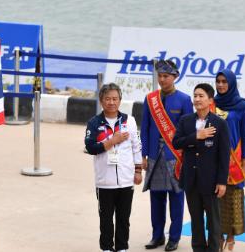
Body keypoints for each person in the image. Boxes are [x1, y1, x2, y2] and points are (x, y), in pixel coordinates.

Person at [141, 60, 193, 251]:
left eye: (166, 76)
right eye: (160, 76)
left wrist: (186, 156)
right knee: (156, 199)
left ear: (175, 77)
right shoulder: (150, 99)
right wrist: (144, 154)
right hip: (155, 156)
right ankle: (157, 236)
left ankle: (174, 238)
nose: (162, 80)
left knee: (177, 199)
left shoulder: (185, 100)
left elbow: (189, 131)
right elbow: (144, 128)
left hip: (175, 156)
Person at [85, 83, 143, 252]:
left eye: (115, 99)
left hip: (126, 180)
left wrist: (138, 171)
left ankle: (122, 248)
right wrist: (112, 141)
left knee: (124, 219)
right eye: (107, 99)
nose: (111, 102)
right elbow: (90, 148)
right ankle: (106, 248)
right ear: (101, 101)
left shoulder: (129, 121)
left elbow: (136, 147)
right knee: (106, 219)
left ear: (120, 100)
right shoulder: (94, 123)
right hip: (105, 182)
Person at [172, 83, 230, 252]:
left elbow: (224, 155)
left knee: (213, 222)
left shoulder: (219, 123)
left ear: (210, 100)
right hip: (190, 180)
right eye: (195, 95)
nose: (197, 99)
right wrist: (196, 136)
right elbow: (176, 143)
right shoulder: (185, 120)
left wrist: (222, 181)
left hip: (211, 182)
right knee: (196, 222)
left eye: (201, 96)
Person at [213, 69, 245, 251]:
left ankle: (230, 236)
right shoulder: (211, 103)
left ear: (231, 83)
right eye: (218, 81)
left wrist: (244, 162)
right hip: (214, 159)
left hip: (234, 161)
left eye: (224, 81)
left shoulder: (242, 106)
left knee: (233, 199)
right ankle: (217, 236)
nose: (220, 85)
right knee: (216, 199)